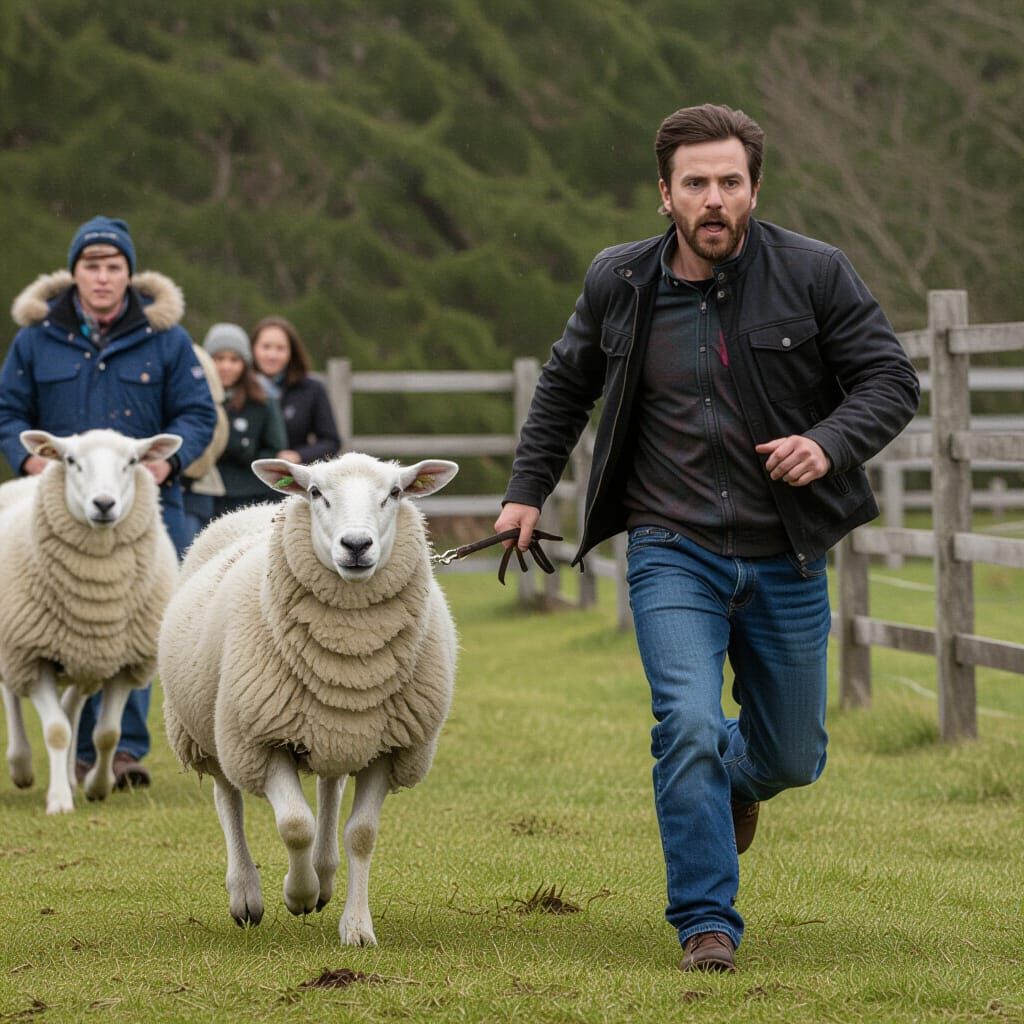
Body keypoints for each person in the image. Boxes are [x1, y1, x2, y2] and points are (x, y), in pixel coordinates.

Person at [494, 104, 920, 973]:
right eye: (696, 183)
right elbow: (565, 387)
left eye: (730, 181)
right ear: (665, 194)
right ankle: (706, 923)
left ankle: (733, 779)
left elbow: (888, 378)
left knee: (793, 756)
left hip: (786, 549)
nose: (714, 199)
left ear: (755, 188)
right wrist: (525, 492)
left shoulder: (814, 272)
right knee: (686, 721)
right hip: (671, 547)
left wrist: (826, 443)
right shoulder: (619, 280)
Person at [0, 215, 218, 789]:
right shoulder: (36, 339)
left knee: (139, 624)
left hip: (144, 503)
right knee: (54, 619)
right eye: (91, 266)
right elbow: (8, 411)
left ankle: (122, 750)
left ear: (129, 274)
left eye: (113, 266)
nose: (102, 277)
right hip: (59, 508)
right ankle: (72, 751)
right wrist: (28, 459)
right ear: (73, 273)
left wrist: (166, 463)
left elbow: (197, 412)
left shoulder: (165, 339)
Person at [202, 322, 288, 517]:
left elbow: (275, 446)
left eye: (234, 360)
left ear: (245, 364)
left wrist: (246, 452)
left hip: (251, 494)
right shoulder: (197, 398)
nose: (226, 366)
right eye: (219, 359)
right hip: (208, 490)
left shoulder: (261, 400)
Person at [250, 315, 341, 464]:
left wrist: (298, 456)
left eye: (280, 348)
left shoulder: (311, 390)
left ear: (292, 352)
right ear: (253, 349)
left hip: (294, 472)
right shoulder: (242, 390)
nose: (272, 355)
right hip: (248, 474)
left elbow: (330, 442)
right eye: (266, 347)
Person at [180, 343, 230, 548]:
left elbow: (212, 424)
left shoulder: (187, 353)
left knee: (186, 557)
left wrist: (180, 469)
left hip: (194, 488)